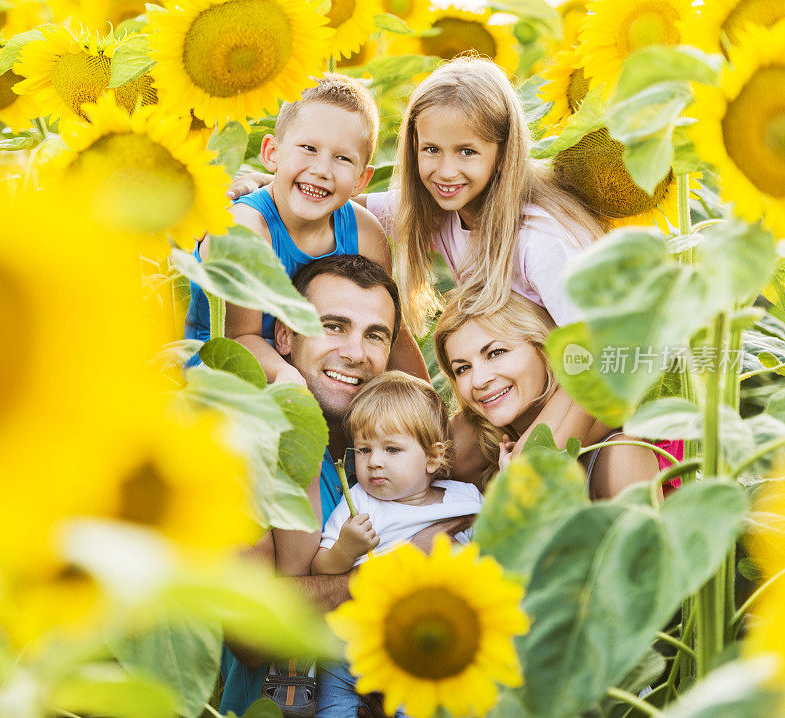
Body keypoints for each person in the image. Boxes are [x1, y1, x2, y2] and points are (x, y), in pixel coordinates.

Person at [227, 57, 611, 476]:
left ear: (503, 154)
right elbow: (342, 200)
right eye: (431, 150)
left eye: (467, 152)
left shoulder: (538, 237)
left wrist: (545, 443)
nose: (446, 171)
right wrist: (267, 182)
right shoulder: (442, 208)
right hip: (510, 387)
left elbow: (599, 349)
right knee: (440, 464)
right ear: (414, 149)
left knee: (523, 478)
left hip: (588, 388)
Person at [220, 256, 464, 717]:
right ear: (285, 337)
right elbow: (250, 630)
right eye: (333, 326)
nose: (356, 352)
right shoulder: (241, 452)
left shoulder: (405, 458)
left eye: (375, 335)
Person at [184, 73, 427, 382]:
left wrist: (428, 409)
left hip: (320, 369)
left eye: (342, 158)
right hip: (225, 378)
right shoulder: (247, 230)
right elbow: (240, 338)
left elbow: (391, 331)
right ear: (272, 153)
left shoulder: (364, 233)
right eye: (309, 148)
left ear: (361, 181)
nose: (322, 170)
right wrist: (290, 379)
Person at [311, 371, 483, 716]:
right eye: (364, 449)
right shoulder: (358, 501)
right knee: (333, 707)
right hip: (350, 648)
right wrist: (346, 548)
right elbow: (320, 566)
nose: (374, 461)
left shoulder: (465, 499)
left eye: (392, 449)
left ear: (433, 458)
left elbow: (497, 549)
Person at [433, 285, 668, 497]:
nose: (479, 380)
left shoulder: (620, 456)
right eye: (462, 368)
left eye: (496, 353)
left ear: (543, 348)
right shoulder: (473, 451)